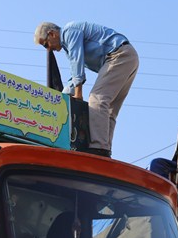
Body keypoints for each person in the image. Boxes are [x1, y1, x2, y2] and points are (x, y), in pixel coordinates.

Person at [34, 21, 139, 158]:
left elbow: (77, 64)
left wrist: (78, 94)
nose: (49, 49)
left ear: (52, 34)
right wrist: (61, 97)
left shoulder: (69, 32)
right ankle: (105, 151)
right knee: (109, 110)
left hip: (118, 55)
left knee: (97, 100)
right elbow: (74, 75)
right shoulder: (68, 46)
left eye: (46, 44)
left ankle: (98, 148)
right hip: (128, 56)